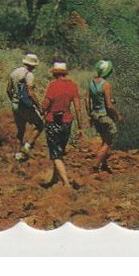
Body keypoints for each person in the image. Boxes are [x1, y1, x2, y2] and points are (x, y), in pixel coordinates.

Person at [38, 60, 81, 190]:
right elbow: (78, 108)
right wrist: (80, 127)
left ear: (55, 73)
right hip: (67, 121)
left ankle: (66, 183)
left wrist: (42, 109)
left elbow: (46, 104)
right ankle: (54, 179)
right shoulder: (73, 86)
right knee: (60, 151)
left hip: (53, 121)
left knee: (55, 154)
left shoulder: (53, 86)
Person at [87, 59, 122, 172]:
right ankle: (96, 164)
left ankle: (104, 165)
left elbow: (86, 99)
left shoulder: (91, 82)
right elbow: (109, 105)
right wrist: (117, 115)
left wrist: (90, 114)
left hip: (95, 115)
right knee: (108, 141)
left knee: (103, 139)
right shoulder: (106, 84)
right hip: (104, 116)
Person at [6, 53, 43, 161]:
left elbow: (8, 90)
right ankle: (27, 147)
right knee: (39, 125)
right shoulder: (29, 74)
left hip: (15, 104)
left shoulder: (14, 73)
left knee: (20, 130)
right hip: (25, 105)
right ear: (33, 65)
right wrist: (38, 106)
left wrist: (14, 101)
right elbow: (30, 93)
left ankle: (17, 155)